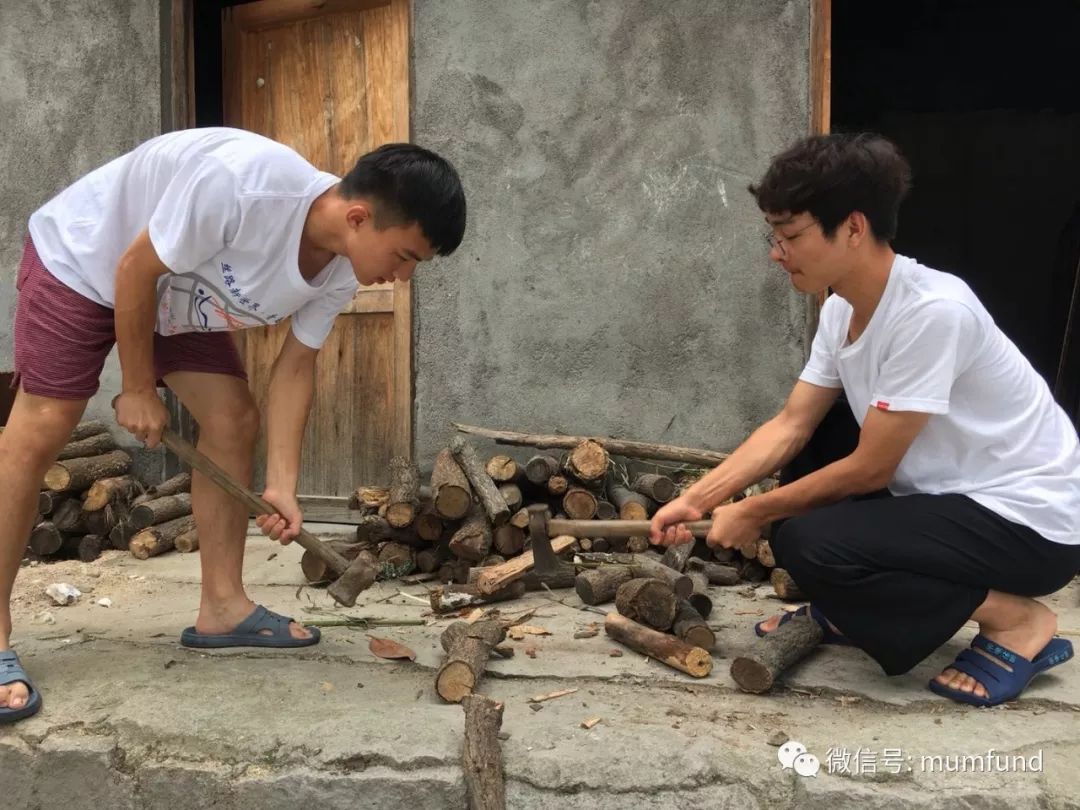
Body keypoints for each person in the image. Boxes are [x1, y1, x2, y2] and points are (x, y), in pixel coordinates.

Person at [0, 127, 466, 724]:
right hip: (86, 259)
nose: (402, 278)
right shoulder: (243, 187)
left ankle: (222, 606)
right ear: (357, 216)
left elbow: (296, 366)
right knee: (43, 427)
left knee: (232, 418)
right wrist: (139, 387)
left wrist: (283, 486)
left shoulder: (342, 269)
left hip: (170, 298)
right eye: (405, 257)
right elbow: (134, 268)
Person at [651, 133, 1080, 707]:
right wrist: (699, 499)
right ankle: (856, 607)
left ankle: (1018, 620)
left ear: (853, 227)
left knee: (808, 539)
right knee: (802, 478)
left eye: (791, 236)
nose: (777, 254)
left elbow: (871, 470)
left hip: (1030, 522)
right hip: (950, 502)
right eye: (773, 237)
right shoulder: (841, 309)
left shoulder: (932, 313)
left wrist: (751, 510)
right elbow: (791, 425)